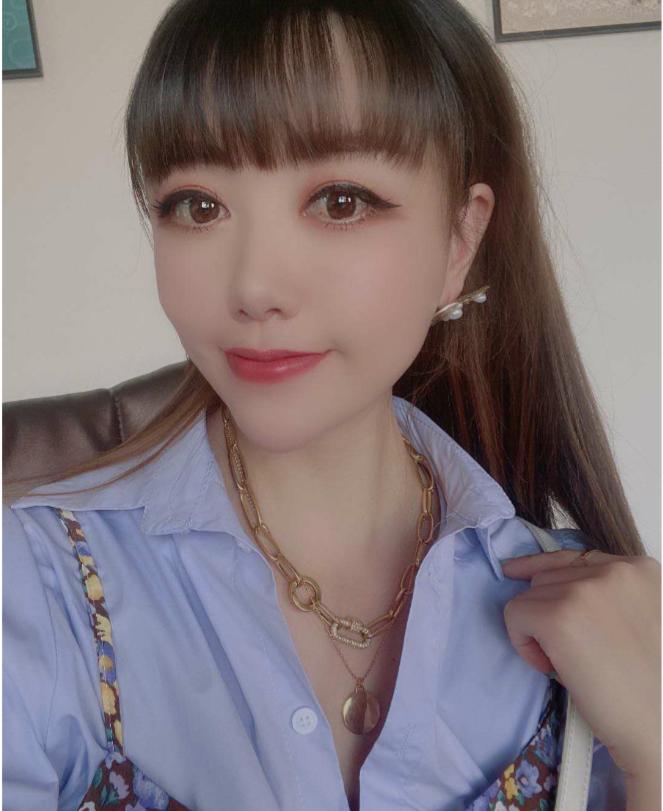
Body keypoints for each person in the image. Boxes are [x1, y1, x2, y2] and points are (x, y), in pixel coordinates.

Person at [3, 1, 660, 809]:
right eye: (197, 206)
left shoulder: (599, 622)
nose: (253, 287)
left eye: (340, 201)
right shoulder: (35, 590)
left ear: (460, 241)